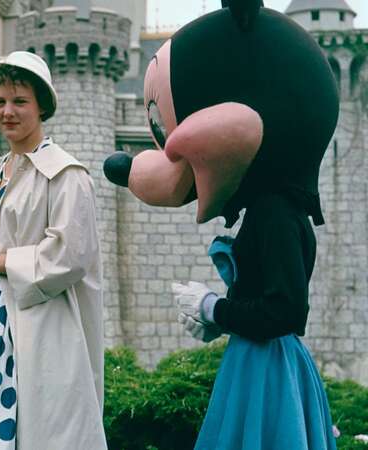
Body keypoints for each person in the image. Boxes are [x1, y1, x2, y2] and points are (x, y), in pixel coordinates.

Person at [102, 2, 338, 448]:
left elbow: (286, 311)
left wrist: (216, 308)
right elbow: (265, 303)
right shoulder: (269, 208)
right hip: (257, 361)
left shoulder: (277, 212)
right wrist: (221, 319)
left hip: (268, 371)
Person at [0, 51, 107, 449]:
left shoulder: (66, 175)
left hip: (40, 323)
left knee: (41, 432)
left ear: (41, 106)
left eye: (19, 102)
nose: (7, 112)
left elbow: (70, 256)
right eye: (0, 102)